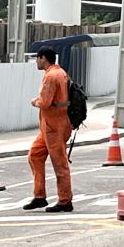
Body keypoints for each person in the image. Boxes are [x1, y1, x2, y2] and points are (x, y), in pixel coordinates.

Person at [23, 47, 73, 212]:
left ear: (43, 58)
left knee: (59, 163)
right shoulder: (61, 72)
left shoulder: (51, 76)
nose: (36, 62)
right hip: (51, 125)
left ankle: (65, 200)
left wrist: (34, 101)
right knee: (35, 155)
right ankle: (39, 196)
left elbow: (44, 102)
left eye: (37, 58)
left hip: (54, 126)